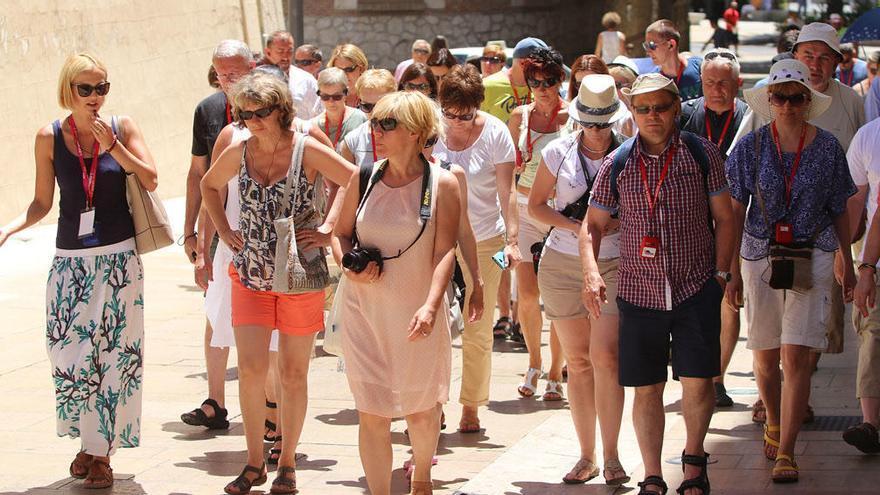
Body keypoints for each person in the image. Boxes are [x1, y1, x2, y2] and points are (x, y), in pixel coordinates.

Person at [0, 52, 158, 489]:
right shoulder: (48, 136)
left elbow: (150, 178)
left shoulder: (122, 128)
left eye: (102, 87)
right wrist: (9, 228)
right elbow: (41, 202)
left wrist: (114, 147)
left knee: (115, 356)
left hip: (119, 261)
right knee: (69, 356)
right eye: (85, 89)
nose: (95, 97)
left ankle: (100, 452)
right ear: (67, 90)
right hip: (70, 262)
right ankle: (88, 440)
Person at [201, 71, 356, 495]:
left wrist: (328, 227)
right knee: (250, 371)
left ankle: (286, 461)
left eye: (260, 112)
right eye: (244, 113)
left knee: (292, 372)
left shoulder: (305, 148)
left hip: (299, 276)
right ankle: (253, 463)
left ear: (280, 111)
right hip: (249, 273)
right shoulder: (239, 149)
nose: (252, 120)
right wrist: (223, 231)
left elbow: (351, 177)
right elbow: (208, 185)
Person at [582, 73, 735, 495]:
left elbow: (726, 216)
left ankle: (693, 462)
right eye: (643, 108)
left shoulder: (702, 154)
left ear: (676, 109)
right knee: (646, 387)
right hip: (639, 292)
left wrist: (721, 275)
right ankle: (653, 474)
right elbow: (591, 225)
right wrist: (592, 272)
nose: (652, 116)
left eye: (661, 107)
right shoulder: (618, 163)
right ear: (632, 113)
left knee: (698, 380)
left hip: (694, 286)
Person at [728, 59, 855, 483]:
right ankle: (774, 420)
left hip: (813, 251)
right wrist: (728, 269)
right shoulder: (749, 148)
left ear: (807, 101)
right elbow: (732, 210)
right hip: (760, 252)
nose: (787, 105)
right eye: (780, 97)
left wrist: (848, 262)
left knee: (796, 353)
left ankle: (787, 451)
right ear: (769, 100)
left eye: (796, 97)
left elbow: (840, 208)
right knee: (764, 354)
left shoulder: (828, 148)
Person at [332, 90, 460, 495]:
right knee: (372, 413)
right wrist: (348, 267)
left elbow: (445, 252)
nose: (377, 131)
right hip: (364, 313)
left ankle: (421, 476)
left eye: (387, 124)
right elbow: (339, 234)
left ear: (416, 131)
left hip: (415, 316)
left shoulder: (443, 184)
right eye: (374, 122)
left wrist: (431, 305)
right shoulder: (364, 176)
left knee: (421, 412)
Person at [529, 75, 629, 486]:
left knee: (607, 359)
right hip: (562, 264)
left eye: (603, 122)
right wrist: (575, 227)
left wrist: (609, 225)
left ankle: (612, 455)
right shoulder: (557, 150)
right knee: (580, 362)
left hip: (614, 263)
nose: (596, 130)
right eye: (589, 121)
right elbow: (535, 206)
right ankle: (586, 455)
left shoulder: (630, 152)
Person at [432, 65, 519, 433]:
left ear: (477, 107)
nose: (456, 123)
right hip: (436, 242)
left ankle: (471, 405)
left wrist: (513, 241)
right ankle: (431, 405)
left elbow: (508, 191)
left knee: (478, 328)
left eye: (464, 116)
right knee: (432, 325)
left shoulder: (496, 133)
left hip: (487, 240)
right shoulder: (430, 130)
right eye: (449, 114)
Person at [181, 39, 254, 432]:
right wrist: (191, 232)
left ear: (252, 66)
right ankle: (215, 402)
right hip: (220, 224)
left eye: (235, 73)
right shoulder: (208, 111)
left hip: (262, 231)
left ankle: (268, 405)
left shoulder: (275, 102)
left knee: (262, 323)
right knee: (215, 311)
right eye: (221, 74)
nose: (228, 81)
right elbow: (199, 175)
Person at [677, 48, 752, 408]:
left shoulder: (750, 119)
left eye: (724, 83)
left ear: (738, 83)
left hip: (739, 219)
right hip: (693, 219)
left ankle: (717, 379)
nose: (716, 89)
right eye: (709, 82)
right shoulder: (687, 115)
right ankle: (695, 372)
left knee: (729, 301)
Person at [507, 48, 568, 401]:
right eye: (534, 82)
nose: (542, 88)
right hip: (526, 207)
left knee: (558, 299)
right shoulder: (519, 116)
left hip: (560, 211)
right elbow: (508, 169)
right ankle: (534, 361)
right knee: (528, 295)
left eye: (549, 81)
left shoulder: (571, 117)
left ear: (561, 80)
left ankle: (556, 371)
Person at [845, 115, 880, 455]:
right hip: (877, 261)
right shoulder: (869, 137)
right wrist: (861, 266)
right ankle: (870, 424)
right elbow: (860, 203)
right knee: (871, 335)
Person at [339, 69, 397, 167]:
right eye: (366, 106)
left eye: (380, 105)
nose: (374, 112)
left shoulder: (410, 133)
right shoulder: (352, 141)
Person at [482, 37, 548, 123]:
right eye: (540, 64)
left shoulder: (545, 86)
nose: (545, 68)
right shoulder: (487, 86)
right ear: (523, 63)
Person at [261, 31, 323, 121]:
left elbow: (319, 114)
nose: (285, 57)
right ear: (268, 52)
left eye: (290, 51)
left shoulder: (306, 80)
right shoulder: (256, 79)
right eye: (280, 51)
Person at [644, 19, 703, 102]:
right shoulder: (653, 81)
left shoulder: (700, 68)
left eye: (652, 45)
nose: (648, 51)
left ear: (671, 45)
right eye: (646, 46)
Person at [311, 67, 367, 151]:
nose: (331, 102)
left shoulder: (360, 119)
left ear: (346, 93)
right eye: (325, 97)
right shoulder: (313, 126)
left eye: (337, 96)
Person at [607, 56, 640, 138]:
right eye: (609, 85)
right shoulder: (603, 114)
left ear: (632, 86)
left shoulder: (645, 112)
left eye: (617, 85)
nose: (612, 90)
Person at [329, 44, 369, 108]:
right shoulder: (326, 96)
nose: (344, 74)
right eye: (339, 70)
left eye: (349, 69)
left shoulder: (372, 95)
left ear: (361, 69)